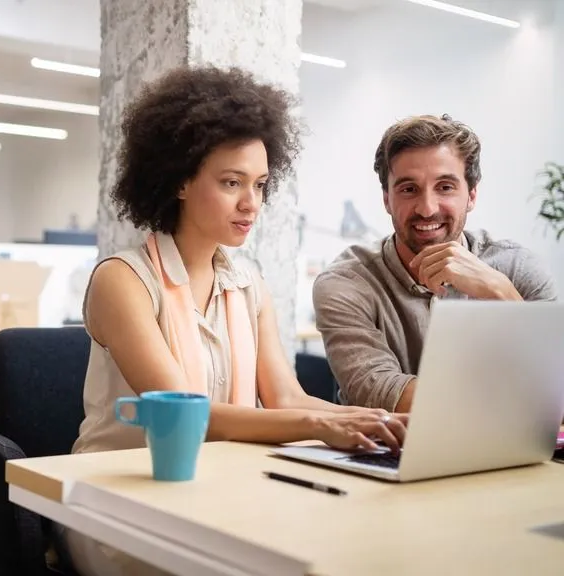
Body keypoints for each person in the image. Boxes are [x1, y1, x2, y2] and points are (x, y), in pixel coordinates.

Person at [62, 66, 408, 576]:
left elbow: (286, 399)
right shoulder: (124, 281)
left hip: (220, 492)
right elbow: (188, 416)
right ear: (179, 180)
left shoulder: (248, 284)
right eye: (231, 183)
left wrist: (377, 424)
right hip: (118, 505)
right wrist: (325, 424)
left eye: (260, 184)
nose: (252, 204)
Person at [313, 114, 558, 413]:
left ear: (472, 195)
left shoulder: (517, 268)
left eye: (445, 187)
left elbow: (557, 391)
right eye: (408, 189)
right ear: (387, 199)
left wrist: (501, 293)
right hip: (389, 454)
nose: (427, 209)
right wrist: (518, 395)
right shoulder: (347, 283)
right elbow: (380, 393)